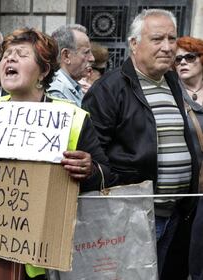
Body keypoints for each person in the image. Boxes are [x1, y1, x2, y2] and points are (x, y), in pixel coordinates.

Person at [0, 28, 113, 280]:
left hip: (34, 254)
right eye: (7, 55)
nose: (9, 59)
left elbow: (105, 175)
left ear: (44, 71)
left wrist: (88, 170)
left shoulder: (72, 118)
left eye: (21, 55)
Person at [81, 9, 199, 276]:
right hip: (132, 217)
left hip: (176, 214)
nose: (168, 47)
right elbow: (91, 154)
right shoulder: (109, 88)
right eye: (157, 39)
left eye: (172, 38)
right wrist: (127, 191)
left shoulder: (172, 81)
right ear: (134, 44)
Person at [172, 36, 203, 280]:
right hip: (188, 188)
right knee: (187, 252)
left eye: (189, 57)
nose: (183, 62)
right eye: (177, 59)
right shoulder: (172, 95)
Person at [47, 24, 94, 107]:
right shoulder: (57, 93)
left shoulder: (76, 87)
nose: (92, 58)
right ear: (66, 56)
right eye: (86, 52)